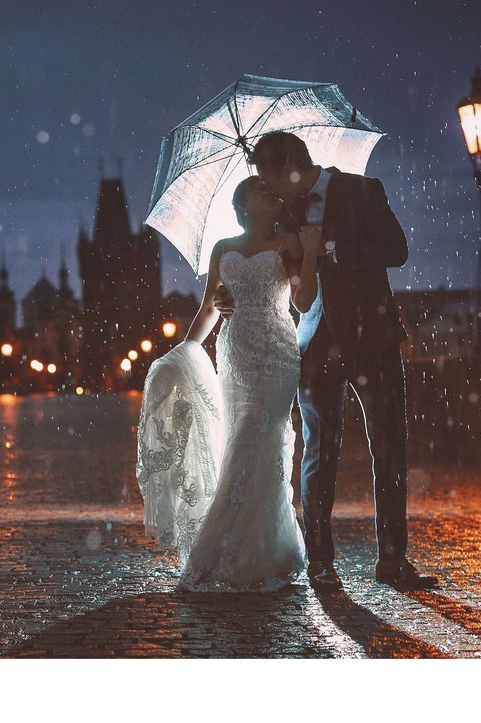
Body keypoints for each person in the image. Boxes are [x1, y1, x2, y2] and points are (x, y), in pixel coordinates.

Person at [219, 131, 437, 591]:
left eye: (269, 180)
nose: (270, 192)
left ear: (290, 170)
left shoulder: (363, 190)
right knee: (320, 451)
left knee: (389, 448)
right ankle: (321, 563)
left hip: (373, 339)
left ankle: (392, 562)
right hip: (315, 342)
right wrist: (229, 293)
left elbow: (397, 250)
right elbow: (262, 259)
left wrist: (333, 249)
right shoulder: (284, 212)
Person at [137, 176, 323, 591]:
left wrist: (309, 254)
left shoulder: (289, 242)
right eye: (260, 189)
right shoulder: (223, 248)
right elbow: (207, 310)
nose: (269, 192)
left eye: (270, 189)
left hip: (276, 351)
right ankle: (253, 548)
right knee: (239, 438)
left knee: (261, 439)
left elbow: (304, 302)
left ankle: (235, 550)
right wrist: (183, 353)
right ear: (242, 204)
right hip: (234, 353)